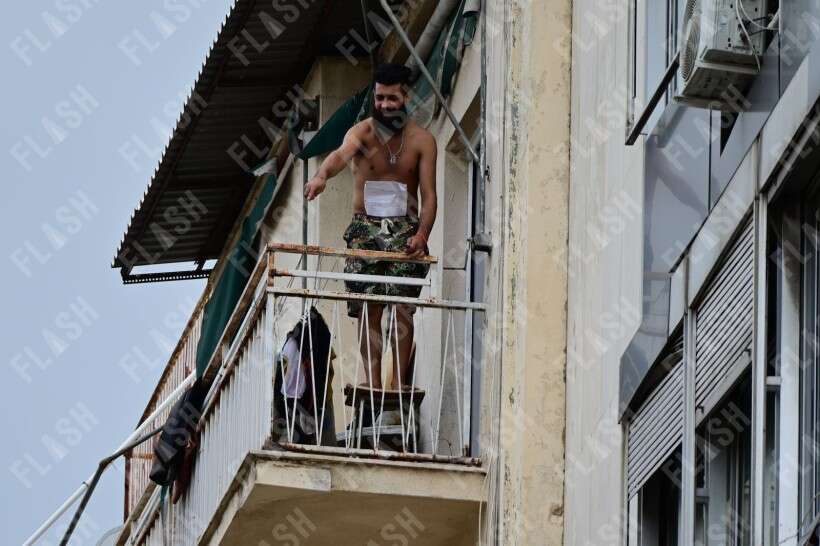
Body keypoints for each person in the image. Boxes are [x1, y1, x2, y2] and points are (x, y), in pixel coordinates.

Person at [304, 63, 437, 392]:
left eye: (392, 98)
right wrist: (321, 176)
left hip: (405, 231)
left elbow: (429, 195)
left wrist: (422, 235)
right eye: (379, 98)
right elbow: (339, 156)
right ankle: (374, 382)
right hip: (365, 229)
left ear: (406, 97)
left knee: (403, 309)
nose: (385, 105)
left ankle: (401, 384)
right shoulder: (361, 133)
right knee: (368, 306)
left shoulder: (422, 141)